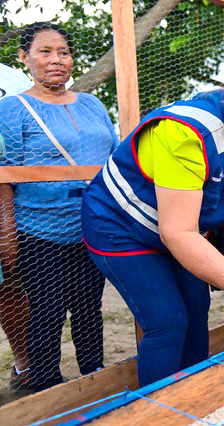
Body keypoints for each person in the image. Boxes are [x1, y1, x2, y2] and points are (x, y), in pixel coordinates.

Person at [81, 45, 224, 387]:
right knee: (167, 321)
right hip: (120, 226)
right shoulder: (186, 133)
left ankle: (195, 393)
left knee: (196, 307)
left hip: (174, 231)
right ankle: (157, 407)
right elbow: (178, 233)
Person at [0, 22, 119, 392]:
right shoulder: (12, 109)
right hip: (39, 229)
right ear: (24, 57)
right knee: (46, 311)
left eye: (63, 52)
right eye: (45, 52)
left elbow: (116, 156)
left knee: (89, 307)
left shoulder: (91, 104)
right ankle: (45, 387)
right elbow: (3, 176)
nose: (56, 60)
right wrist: (7, 233)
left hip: (93, 225)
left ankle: (94, 378)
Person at [0, 64, 33, 392]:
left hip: (14, 202)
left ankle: (24, 365)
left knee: (9, 290)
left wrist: (8, 228)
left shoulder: (11, 77)